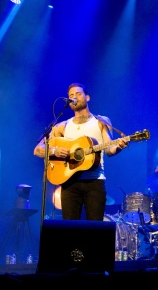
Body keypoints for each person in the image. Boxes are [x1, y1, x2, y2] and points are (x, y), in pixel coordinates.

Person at [33, 83, 128, 220]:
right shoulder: (62, 126)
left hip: (95, 182)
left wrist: (119, 146)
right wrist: (54, 150)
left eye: (78, 94)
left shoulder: (101, 121)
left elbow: (109, 150)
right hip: (69, 183)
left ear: (87, 97)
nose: (74, 97)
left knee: (95, 230)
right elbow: (38, 150)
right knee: (70, 232)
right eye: (71, 95)